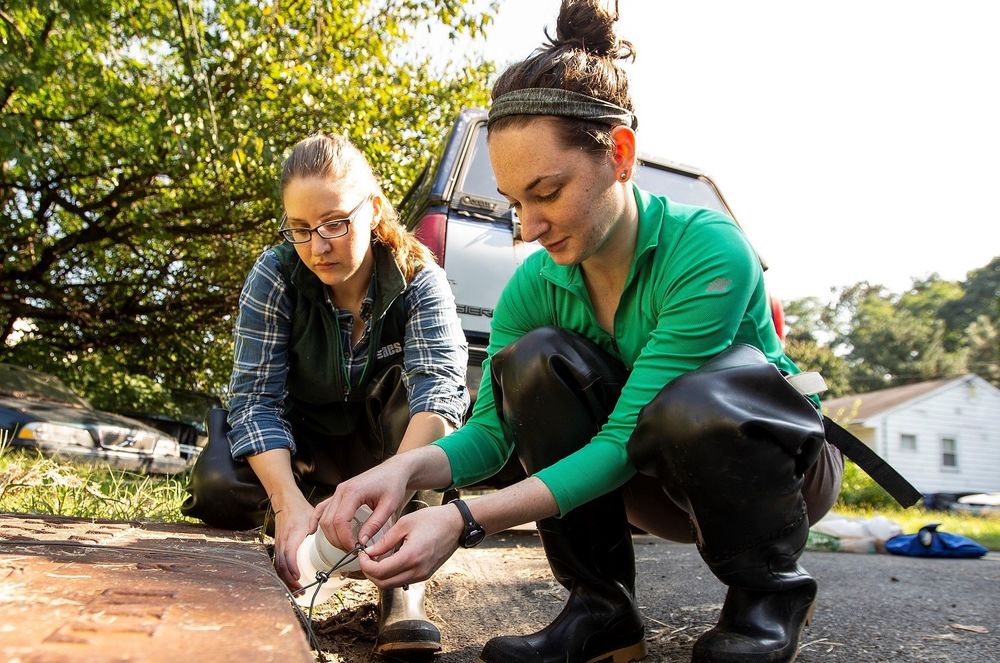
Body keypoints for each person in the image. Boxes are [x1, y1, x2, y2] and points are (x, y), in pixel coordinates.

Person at [314, 2, 847, 662]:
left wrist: (464, 518)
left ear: (619, 154)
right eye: (514, 202)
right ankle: (602, 613)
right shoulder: (537, 286)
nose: (529, 227)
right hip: (648, 481)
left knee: (687, 401)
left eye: (548, 191)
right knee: (531, 363)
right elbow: (490, 432)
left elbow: (627, 436)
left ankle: (769, 596)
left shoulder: (708, 251)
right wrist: (398, 472)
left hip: (776, 474)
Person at [181, 132, 469, 657]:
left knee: (420, 402)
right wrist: (286, 501)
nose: (318, 246)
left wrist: (387, 490)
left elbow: (440, 397)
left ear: (374, 209)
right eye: (300, 229)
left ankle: (399, 581)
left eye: (335, 223)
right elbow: (255, 400)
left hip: (388, 456)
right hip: (305, 452)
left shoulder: (420, 279)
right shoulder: (274, 276)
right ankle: (294, 532)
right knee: (218, 480)